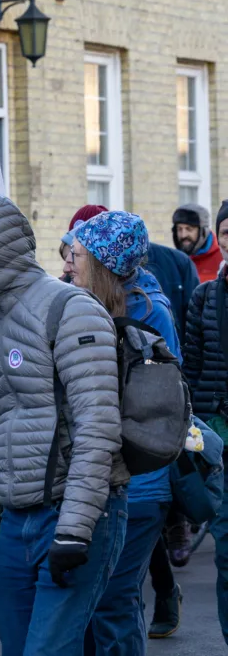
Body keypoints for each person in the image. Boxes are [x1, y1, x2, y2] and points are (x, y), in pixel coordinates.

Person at [0, 192, 127, 656]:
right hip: (16, 523)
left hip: (74, 517)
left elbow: (98, 426)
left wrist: (75, 529)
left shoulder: (70, 310)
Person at [67, 212, 180, 656]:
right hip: (107, 480)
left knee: (113, 602)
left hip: (139, 484)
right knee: (103, 602)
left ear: (103, 263)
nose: (69, 264)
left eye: (78, 255)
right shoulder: (100, 305)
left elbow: (149, 409)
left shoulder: (146, 315)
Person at [182, 198, 228, 646]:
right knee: (227, 550)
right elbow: (191, 368)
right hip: (219, 430)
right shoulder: (205, 295)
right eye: (227, 231)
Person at [173, 203, 222, 282]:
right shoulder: (175, 260)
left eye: (189, 229)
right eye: (179, 229)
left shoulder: (223, 258)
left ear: (203, 231)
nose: (183, 235)